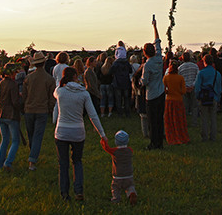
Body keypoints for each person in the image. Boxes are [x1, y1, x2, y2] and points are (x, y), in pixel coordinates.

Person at [53, 66, 107, 201]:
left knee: (63, 164)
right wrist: (102, 134)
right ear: (76, 77)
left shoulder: (60, 92)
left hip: (62, 131)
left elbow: (55, 91)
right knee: (77, 161)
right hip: (78, 131)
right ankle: (78, 191)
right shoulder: (84, 93)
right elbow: (93, 115)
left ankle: (64, 193)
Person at [22, 51, 56, 171]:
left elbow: (24, 96)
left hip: (29, 110)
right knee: (37, 135)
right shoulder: (50, 79)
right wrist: (50, 109)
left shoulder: (28, 78)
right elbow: (52, 98)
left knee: (31, 134)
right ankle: (32, 158)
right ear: (44, 62)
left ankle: (32, 155)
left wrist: (24, 106)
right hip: (42, 110)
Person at [141, 18, 165, 150]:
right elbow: (158, 41)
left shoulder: (148, 64)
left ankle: (153, 143)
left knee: (152, 121)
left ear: (145, 53)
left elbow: (145, 81)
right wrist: (155, 27)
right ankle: (160, 142)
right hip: (161, 92)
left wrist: (139, 82)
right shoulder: (159, 58)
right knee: (159, 119)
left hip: (151, 95)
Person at [100, 130, 138, 205]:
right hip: (129, 174)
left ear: (116, 142)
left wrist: (103, 141)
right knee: (130, 186)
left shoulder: (114, 151)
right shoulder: (130, 150)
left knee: (115, 187)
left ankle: (116, 199)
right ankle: (132, 194)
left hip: (118, 176)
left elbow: (106, 148)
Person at [0, 62, 22, 172]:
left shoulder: (1, 83)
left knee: (5, 140)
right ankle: (8, 162)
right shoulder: (13, 84)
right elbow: (15, 102)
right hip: (11, 115)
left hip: (1, 114)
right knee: (16, 141)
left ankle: (0, 163)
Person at [194, 54, 222, 142]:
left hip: (203, 97)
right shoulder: (217, 73)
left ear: (204, 62)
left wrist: (198, 97)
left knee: (204, 118)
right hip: (214, 97)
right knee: (213, 118)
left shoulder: (201, 73)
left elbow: (197, 87)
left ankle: (205, 137)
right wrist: (218, 98)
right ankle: (213, 137)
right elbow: (219, 87)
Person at [163, 60, 190, 145]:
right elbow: (183, 91)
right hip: (178, 100)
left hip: (169, 100)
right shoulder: (180, 78)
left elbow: (164, 89)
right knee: (179, 120)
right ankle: (181, 136)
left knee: (169, 120)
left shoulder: (166, 78)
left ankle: (171, 136)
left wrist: (169, 92)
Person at [178, 51, 199, 126]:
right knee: (194, 106)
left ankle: (184, 122)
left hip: (184, 88)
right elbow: (197, 76)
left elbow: (179, 78)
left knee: (184, 106)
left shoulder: (180, 68)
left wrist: (185, 86)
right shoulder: (195, 66)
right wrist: (193, 85)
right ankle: (194, 122)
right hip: (193, 87)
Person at [111, 47, 133, 117]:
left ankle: (120, 113)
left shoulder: (115, 63)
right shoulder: (126, 63)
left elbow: (110, 71)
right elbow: (130, 71)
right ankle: (127, 113)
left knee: (118, 99)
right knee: (126, 99)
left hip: (117, 83)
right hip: (126, 82)